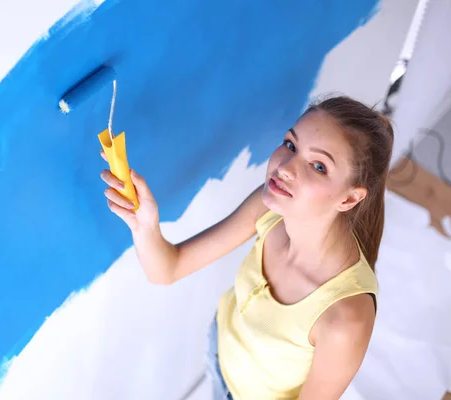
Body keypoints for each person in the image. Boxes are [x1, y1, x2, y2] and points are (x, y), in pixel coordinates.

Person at [99, 95, 394, 399]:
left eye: (318, 166)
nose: (286, 168)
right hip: (219, 355)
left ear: (348, 199)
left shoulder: (346, 318)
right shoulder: (271, 208)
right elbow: (167, 270)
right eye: (290, 145)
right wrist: (145, 225)